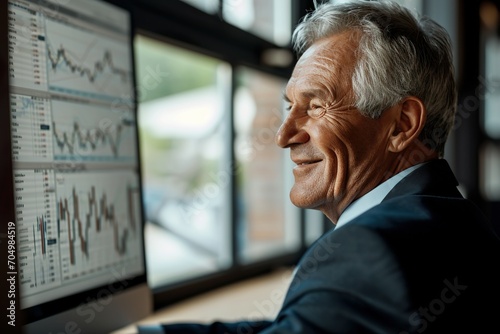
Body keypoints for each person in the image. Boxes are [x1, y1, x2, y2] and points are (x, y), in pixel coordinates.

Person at [145, 1, 500, 333]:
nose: (284, 136)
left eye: (315, 106)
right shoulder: (451, 216)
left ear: (402, 125)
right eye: (290, 107)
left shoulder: (370, 249)